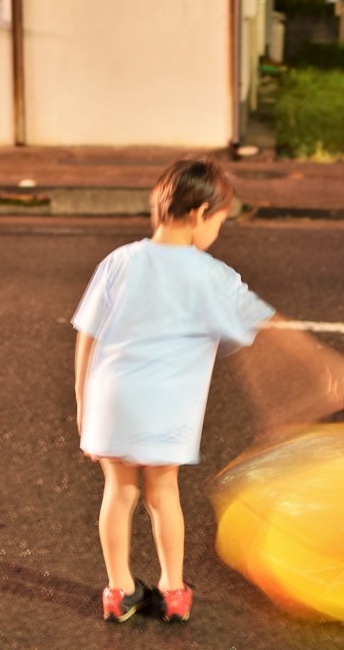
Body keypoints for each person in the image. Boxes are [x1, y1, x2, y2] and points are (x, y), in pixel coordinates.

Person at [72, 157, 275, 624]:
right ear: (203, 212)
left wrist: (83, 403)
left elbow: (87, 334)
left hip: (111, 399)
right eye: (220, 222)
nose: (217, 233)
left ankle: (119, 590)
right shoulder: (211, 275)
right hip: (167, 407)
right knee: (163, 492)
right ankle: (172, 589)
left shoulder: (119, 261)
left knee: (118, 491)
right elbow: (265, 330)